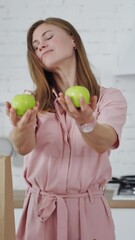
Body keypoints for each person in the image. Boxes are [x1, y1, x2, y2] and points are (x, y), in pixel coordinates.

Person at [6, 17, 127, 240]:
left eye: (48, 36)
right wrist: (21, 128)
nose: (40, 45)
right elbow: (22, 147)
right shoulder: (34, 102)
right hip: (41, 213)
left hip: (89, 213)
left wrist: (85, 122)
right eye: (35, 45)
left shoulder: (108, 99)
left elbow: (103, 142)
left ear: (73, 40)